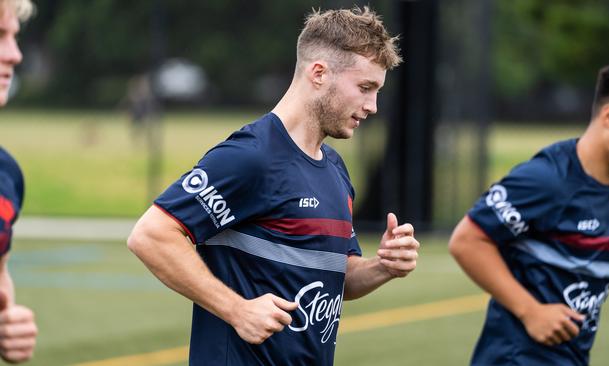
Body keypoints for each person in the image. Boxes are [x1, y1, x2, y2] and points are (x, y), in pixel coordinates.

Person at [128, 6, 420, 366]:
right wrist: (236, 309)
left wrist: (382, 267)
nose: (373, 106)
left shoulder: (335, 169)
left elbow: (336, 277)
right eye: (365, 87)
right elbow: (151, 235)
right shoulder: (251, 157)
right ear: (319, 73)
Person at [449, 56, 609, 366]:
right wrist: (531, 311)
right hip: (515, 358)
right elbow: (466, 241)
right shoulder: (546, 180)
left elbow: (588, 266)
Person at [0, 0, 38, 363]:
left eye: (14, 36)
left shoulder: (6, 174)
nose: (14, 54)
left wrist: (6, 324)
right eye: (0, 37)